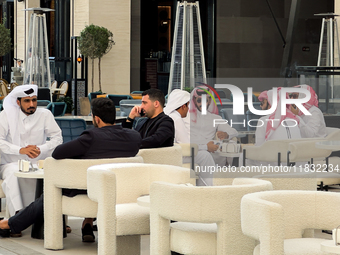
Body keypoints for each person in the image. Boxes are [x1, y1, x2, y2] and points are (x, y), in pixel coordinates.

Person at [0, 98, 142, 241]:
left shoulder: (91, 138)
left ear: (96, 119)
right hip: (120, 189)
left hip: (88, 189)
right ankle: (87, 222)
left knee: (51, 192)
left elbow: (58, 153)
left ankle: (10, 223)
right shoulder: (134, 138)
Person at [0, 85, 62, 218]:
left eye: (34, 100)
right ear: (18, 102)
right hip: (11, 163)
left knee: (55, 173)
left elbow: (58, 138)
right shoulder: (6, 116)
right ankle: (17, 217)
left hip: (38, 162)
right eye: (27, 101)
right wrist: (20, 150)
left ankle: (54, 218)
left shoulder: (45, 115)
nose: (32, 104)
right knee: (13, 174)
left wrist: (41, 149)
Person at [164, 89, 216, 186]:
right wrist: (206, 147)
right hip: (177, 156)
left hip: (169, 154)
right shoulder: (177, 119)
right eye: (188, 106)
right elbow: (187, 147)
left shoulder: (167, 115)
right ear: (183, 106)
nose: (189, 109)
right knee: (205, 156)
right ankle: (209, 187)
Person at [189, 86, 238, 169]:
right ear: (194, 100)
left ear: (210, 101)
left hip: (212, 148)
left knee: (231, 144)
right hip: (194, 147)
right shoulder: (186, 117)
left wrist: (226, 134)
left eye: (205, 100)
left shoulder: (215, 118)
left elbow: (234, 131)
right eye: (199, 100)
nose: (202, 103)